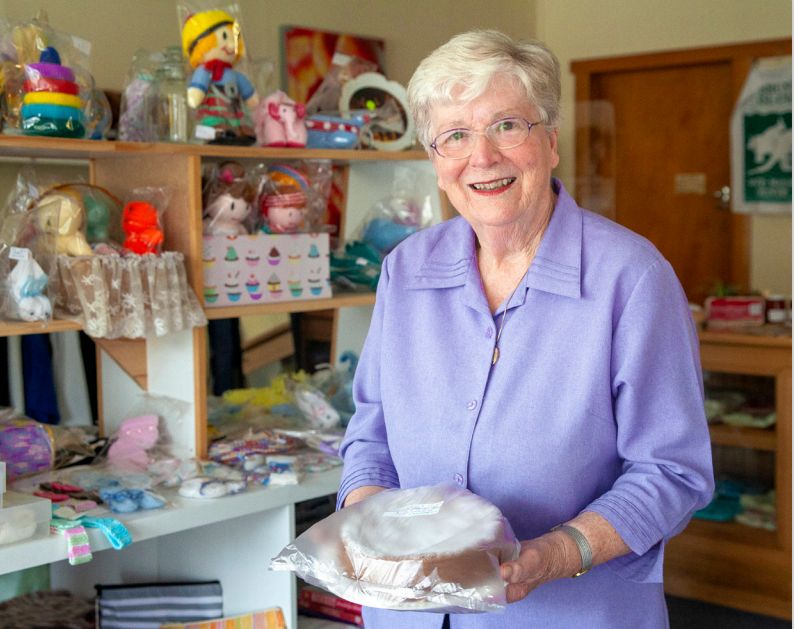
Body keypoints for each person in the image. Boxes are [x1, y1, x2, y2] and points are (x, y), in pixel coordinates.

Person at [336, 30, 714, 629]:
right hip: (408, 614)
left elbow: (672, 471)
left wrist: (554, 554)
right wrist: (366, 519)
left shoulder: (633, 278)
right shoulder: (404, 271)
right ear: (436, 162)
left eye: (507, 126)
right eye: (455, 136)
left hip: (572, 614)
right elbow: (370, 434)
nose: (481, 157)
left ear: (551, 142)